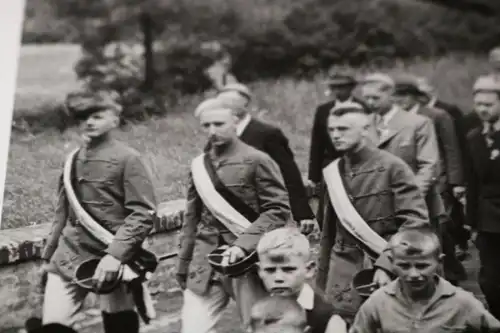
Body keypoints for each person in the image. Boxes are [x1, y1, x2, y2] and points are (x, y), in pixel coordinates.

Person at [38, 90, 158, 332]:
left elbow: (143, 213)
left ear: (114, 119)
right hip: (69, 255)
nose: (89, 122)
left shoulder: (129, 159)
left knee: (120, 325)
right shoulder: (72, 159)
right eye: (82, 117)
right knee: (52, 325)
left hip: (114, 255)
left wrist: (115, 256)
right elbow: (62, 212)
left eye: (97, 116)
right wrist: (48, 256)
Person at [176, 97, 292, 333]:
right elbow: (192, 217)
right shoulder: (199, 166)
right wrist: (184, 261)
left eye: (219, 124)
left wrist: (242, 245)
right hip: (206, 263)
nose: (212, 131)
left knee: (263, 327)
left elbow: (277, 210)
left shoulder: (258, 160)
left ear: (235, 122)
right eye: (206, 126)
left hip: (248, 262)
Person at [314, 101, 429, 325]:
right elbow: (327, 232)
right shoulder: (331, 172)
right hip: (343, 267)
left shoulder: (393, 166)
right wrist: (322, 281)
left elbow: (415, 224)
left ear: (365, 129)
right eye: (332, 130)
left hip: (388, 263)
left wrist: (386, 265)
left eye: (343, 129)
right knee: (338, 323)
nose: (335, 135)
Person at [349, 225, 500, 333]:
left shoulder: (462, 303)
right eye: (404, 266)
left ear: (439, 262)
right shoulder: (378, 303)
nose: (414, 274)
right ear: (391, 262)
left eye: (422, 266)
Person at [393, 76, 467, 285]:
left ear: (413, 97)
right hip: (410, 182)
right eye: (397, 97)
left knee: (441, 227)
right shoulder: (398, 120)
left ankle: (448, 271)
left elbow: (451, 150)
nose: (399, 101)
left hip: (438, 180)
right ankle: (445, 269)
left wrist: (455, 181)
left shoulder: (437, 116)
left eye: (403, 96)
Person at [215, 84, 317, 234]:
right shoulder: (218, 135)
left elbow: (289, 173)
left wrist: (302, 212)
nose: (222, 109)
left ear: (244, 104)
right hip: (230, 214)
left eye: (228, 104)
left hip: (265, 212)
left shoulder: (267, 133)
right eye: (220, 105)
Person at [416, 77, 471, 259]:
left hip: (444, 173)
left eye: (424, 92)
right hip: (427, 173)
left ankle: (455, 248)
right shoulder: (416, 114)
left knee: (447, 216)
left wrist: (457, 179)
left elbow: (455, 146)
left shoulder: (446, 112)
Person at [256, 227, 347, 333]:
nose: (278, 278)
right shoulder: (261, 309)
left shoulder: (328, 319)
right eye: (270, 270)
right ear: (259, 271)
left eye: (288, 269)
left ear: (309, 269)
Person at [307, 73, 367, 229]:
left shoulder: (364, 108)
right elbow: (317, 143)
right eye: (335, 87)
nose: (338, 91)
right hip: (330, 164)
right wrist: (313, 176)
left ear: (351, 88)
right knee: (329, 204)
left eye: (343, 87)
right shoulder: (323, 110)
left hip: (357, 164)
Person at [466, 75, 500, 320]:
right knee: (489, 279)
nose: (483, 109)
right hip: (488, 220)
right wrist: (471, 223)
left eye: (488, 104)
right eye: (479, 104)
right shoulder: (474, 137)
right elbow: (473, 183)